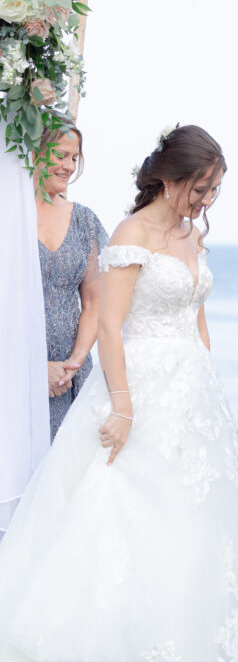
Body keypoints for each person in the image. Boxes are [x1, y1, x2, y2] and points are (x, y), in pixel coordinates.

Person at [0, 125, 238, 662]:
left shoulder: (194, 236)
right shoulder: (130, 234)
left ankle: (180, 638)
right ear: (169, 177)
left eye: (214, 189)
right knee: (118, 506)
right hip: (136, 386)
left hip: (191, 391)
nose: (206, 199)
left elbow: (197, 318)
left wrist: (210, 388)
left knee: (193, 514)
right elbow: (110, 327)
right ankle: (102, 644)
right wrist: (123, 405)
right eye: (200, 186)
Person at [35, 122, 108, 441]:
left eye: (75, 158)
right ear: (35, 153)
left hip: (71, 376)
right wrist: (35, 367)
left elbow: (94, 301)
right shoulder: (9, 217)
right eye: (61, 155)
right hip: (13, 369)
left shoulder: (85, 220)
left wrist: (74, 364)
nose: (68, 166)